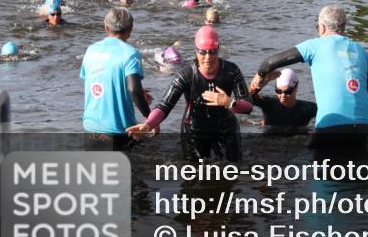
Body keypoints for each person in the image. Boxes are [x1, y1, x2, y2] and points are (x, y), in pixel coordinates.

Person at [254, 4, 368, 146]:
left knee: (303, 165)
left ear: (322, 27)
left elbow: (269, 63)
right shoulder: (362, 52)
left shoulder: (315, 46)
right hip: (362, 127)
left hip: (331, 127)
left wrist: (259, 77)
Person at [128, 26, 252, 161]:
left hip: (225, 129)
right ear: (196, 51)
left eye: (212, 52)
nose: (208, 58)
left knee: (232, 171)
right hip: (194, 130)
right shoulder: (186, 75)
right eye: (203, 52)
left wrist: (230, 103)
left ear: (218, 50)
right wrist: (148, 124)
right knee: (193, 175)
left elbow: (248, 106)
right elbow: (164, 105)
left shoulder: (231, 71)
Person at [81, 8, 153, 149]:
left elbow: (98, 80)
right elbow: (134, 90)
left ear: (106, 27)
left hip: (91, 128)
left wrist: (134, 90)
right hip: (119, 130)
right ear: (130, 29)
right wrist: (150, 120)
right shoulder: (131, 54)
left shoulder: (91, 50)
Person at [249, 68, 317, 135]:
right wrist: (260, 81)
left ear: (295, 89)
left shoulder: (308, 108)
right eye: (279, 91)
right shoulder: (270, 105)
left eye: (288, 91)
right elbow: (249, 98)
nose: (283, 95)